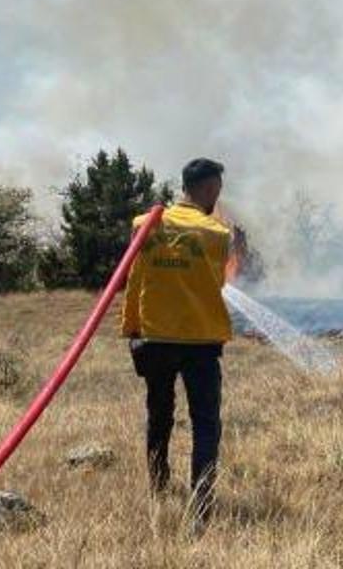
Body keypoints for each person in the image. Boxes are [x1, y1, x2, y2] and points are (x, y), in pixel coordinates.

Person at [121, 158, 232, 528]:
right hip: (200, 341)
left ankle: (159, 484)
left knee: (159, 415)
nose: (218, 195)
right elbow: (214, 282)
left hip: (155, 338)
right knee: (205, 424)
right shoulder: (217, 234)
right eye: (217, 189)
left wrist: (131, 330)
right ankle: (201, 506)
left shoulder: (144, 225)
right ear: (209, 189)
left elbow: (134, 281)